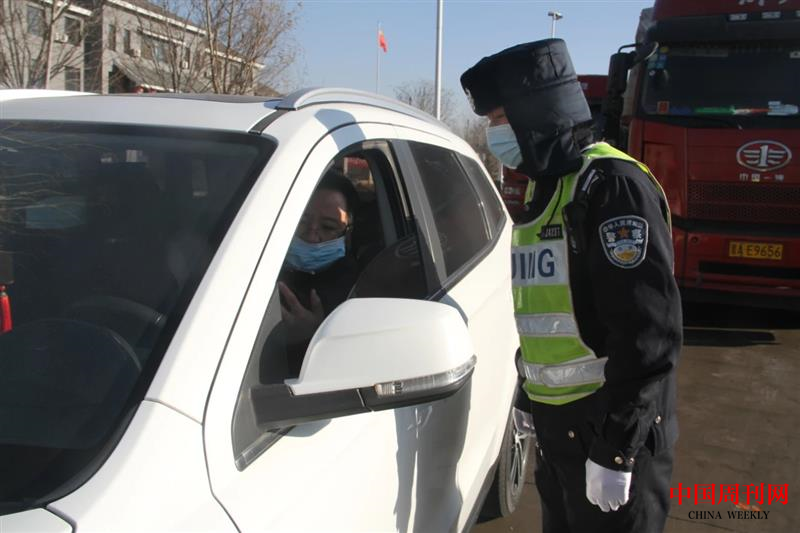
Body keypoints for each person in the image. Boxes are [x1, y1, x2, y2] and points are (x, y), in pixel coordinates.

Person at [461, 39, 681, 533]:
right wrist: (528, 394)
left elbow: (649, 333)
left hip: (610, 429)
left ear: (538, 111)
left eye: (501, 118)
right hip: (560, 429)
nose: (495, 132)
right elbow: (547, 310)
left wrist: (619, 449)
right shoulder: (549, 186)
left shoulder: (610, 186)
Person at [277, 168, 360, 375]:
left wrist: (315, 337)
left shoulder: (359, 289)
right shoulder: (258, 265)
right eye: (301, 222)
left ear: (348, 232)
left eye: (328, 227)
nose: (312, 237)